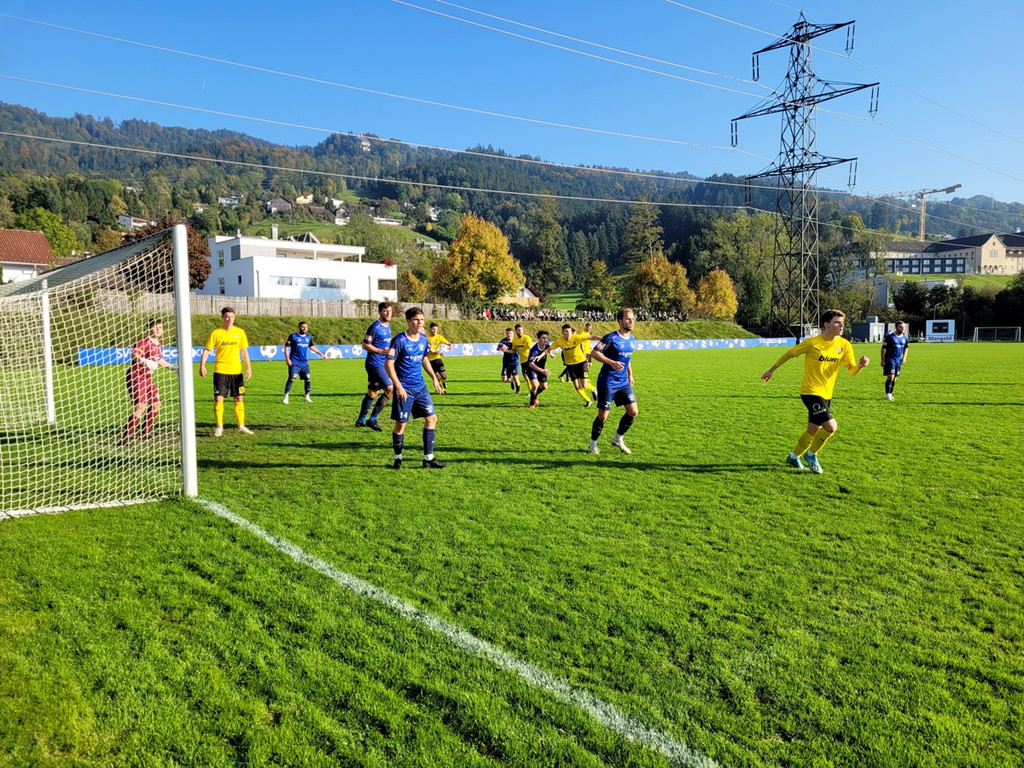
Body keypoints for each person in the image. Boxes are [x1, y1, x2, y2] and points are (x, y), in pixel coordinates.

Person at [761, 309, 870, 474]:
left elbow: (851, 370)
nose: (841, 326)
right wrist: (771, 370)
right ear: (826, 325)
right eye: (837, 322)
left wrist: (860, 366)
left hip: (827, 394)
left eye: (842, 323)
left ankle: (793, 456)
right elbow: (789, 354)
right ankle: (811, 455)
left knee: (813, 430)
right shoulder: (813, 343)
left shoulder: (844, 345)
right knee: (831, 427)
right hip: (810, 392)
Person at [385, 306, 447, 469]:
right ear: (408, 321)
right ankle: (398, 459)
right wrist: (398, 386)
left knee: (432, 418)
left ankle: (428, 459)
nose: (420, 323)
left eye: (422, 320)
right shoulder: (399, 340)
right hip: (404, 389)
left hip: (420, 388)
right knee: (401, 425)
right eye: (416, 320)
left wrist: (434, 377)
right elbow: (388, 364)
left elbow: (424, 359)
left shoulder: (423, 339)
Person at [589, 308, 638, 455]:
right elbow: (594, 352)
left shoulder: (632, 339)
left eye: (632, 319)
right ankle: (593, 444)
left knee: (633, 412)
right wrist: (611, 362)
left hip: (623, 382)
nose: (631, 322)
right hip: (608, 382)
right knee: (603, 416)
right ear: (620, 321)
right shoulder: (611, 338)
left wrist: (630, 374)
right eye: (628, 319)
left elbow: (626, 358)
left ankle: (618, 438)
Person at [121, 318, 177, 443]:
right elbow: (134, 355)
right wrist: (144, 360)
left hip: (147, 378)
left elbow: (158, 359)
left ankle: (145, 432)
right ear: (150, 328)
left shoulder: (158, 345)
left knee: (157, 404)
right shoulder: (145, 342)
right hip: (136, 376)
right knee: (141, 407)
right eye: (155, 327)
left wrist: (173, 367)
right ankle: (126, 436)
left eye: (160, 327)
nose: (158, 330)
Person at [200, 307, 253, 436]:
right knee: (218, 399)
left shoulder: (240, 332)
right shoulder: (216, 333)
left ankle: (241, 426)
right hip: (221, 371)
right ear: (222, 318)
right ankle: (219, 426)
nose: (230, 319)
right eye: (227, 317)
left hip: (236, 371)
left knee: (238, 398)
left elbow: (244, 351)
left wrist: (249, 367)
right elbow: (207, 349)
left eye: (232, 317)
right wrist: (202, 365)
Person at [356, 302, 394, 432]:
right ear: (380, 312)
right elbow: (365, 345)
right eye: (385, 311)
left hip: (380, 363)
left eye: (390, 311)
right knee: (390, 390)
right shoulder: (375, 327)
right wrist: (380, 351)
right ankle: (372, 419)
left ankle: (361, 420)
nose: (388, 313)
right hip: (375, 364)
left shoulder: (388, 325)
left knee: (373, 392)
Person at [549, 324, 600, 406]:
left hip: (581, 362)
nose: (568, 333)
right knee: (576, 385)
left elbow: (592, 337)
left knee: (584, 385)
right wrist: (550, 353)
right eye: (566, 331)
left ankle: (593, 389)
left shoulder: (577, 337)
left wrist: (603, 338)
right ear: (562, 332)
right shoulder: (559, 341)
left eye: (569, 331)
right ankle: (588, 400)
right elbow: (550, 348)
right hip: (570, 365)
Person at [282, 321, 326, 404]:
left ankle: (307, 396)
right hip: (294, 362)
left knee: (308, 379)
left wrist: (320, 353)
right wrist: (287, 358)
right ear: (299, 327)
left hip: (304, 363)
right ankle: (286, 397)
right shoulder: (293, 336)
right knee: (291, 379)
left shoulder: (308, 337)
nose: (305, 328)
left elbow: (311, 346)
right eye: (303, 327)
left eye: (306, 327)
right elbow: (287, 347)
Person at [881, 321, 909, 401]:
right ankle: (887, 394)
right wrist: (882, 360)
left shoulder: (904, 338)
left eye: (904, 327)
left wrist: (904, 358)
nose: (903, 328)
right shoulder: (890, 337)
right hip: (890, 359)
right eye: (901, 327)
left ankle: (890, 394)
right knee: (891, 376)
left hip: (898, 360)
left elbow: (906, 348)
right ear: (896, 328)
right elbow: (883, 348)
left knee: (895, 378)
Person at [525, 330, 554, 409]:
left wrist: (551, 354)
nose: (545, 340)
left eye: (546, 338)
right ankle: (531, 403)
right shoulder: (534, 350)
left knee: (544, 387)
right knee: (535, 385)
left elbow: (549, 349)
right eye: (543, 338)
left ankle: (535, 395)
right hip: (532, 368)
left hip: (541, 368)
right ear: (538, 339)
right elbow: (531, 364)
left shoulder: (547, 345)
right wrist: (542, 371)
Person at [426, 322, 453, 393]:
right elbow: (430, 350)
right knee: (437, 377)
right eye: (433, 329)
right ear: (430, 329)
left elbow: (446, 342)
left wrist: (450, 345)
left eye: (436, 329)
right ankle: (442, 390)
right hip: (429, 361)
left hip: (437, 360)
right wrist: (439, 352)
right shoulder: (426, 338)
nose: (434, 331)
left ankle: (442, 382)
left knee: (444, 377)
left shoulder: (439, 337)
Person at [496, 327, 520, 393]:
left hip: (515, 362)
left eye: (510, 333)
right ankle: (511, 381)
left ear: (513, 334)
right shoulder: (503, 341)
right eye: (507, 333)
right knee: (504, 379)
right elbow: (498, 348)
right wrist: (501, 347)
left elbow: (516, 350)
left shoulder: (516, 341)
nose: (508, 335)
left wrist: (507, 349)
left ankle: (518, 390)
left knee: (516, 378)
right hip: (506, 362)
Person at [511, 323, 533, 390]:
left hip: (529, 359)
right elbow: (513, 351)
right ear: (516, 331)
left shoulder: (527, 338)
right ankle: (531, 389)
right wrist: (505, 350)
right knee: (525, 376)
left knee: (529, 375)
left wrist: (533, 356)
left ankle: (532, 390)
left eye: (521, 330)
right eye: (518, 330)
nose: (520, 331)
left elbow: (530, 348)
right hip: (522, 360)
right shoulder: (514, 340)